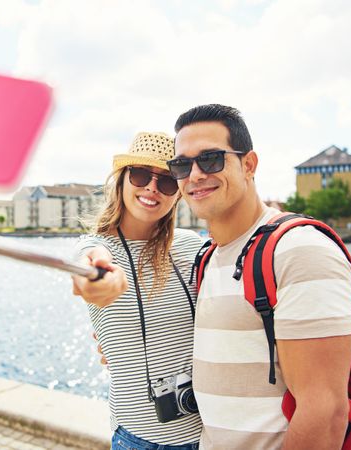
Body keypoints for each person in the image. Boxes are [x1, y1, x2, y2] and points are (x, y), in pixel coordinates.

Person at [168, 104, 351, 450]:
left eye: (210, 159)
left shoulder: (299, 250)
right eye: (181, 165)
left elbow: (325, 412)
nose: (193, 175)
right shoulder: (210, 256)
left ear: (249, 164)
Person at [72, 132, 204, 450]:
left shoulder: (193, 246)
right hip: (138, 439)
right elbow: (88, 266)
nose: (152, 188)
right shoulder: (96, 246)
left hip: (208, 435)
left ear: (179, 194)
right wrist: (98, 280)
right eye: (141, 175)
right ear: (121, 180)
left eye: (167, 181)